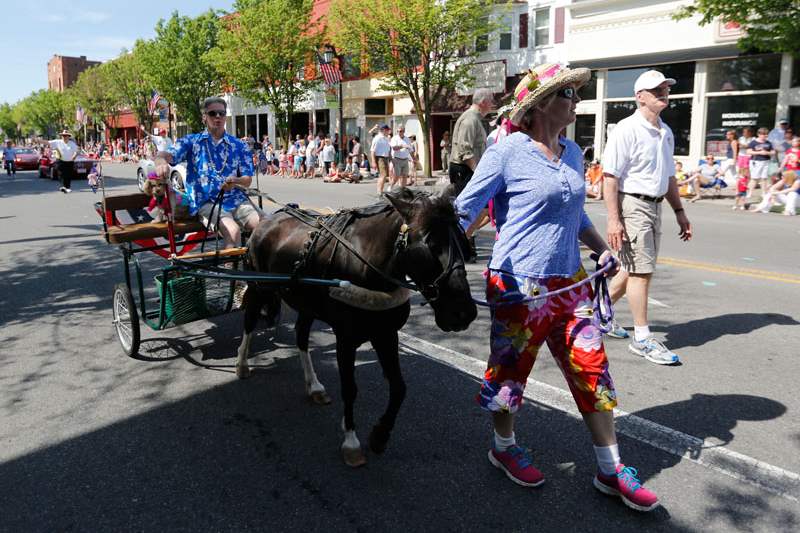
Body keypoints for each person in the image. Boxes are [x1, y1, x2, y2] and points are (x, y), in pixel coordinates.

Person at [456, 62, 660, 513]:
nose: (576, 101)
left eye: (574, 93)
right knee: (509, 376)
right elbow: (465, 210)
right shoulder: (507, 151)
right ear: (540, 105)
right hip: (517, 285)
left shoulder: (571, 153)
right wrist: (437, 256)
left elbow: (577, 216)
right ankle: (503, 446)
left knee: (593, 371)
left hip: (570, 284)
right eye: (568, 94)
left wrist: (600, 248)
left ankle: (610, 469)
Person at [602, 70, 691, 365]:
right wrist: (614, 219)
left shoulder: (665, 132)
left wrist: (680, 212)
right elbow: (610, 177)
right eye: (656, 90)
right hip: (633, 204)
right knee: (642, 271)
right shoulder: (626, 130)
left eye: (666, 88)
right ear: (640, 97)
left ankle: (596, 313)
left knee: (633, 267)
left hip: (655, 206)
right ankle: (642, 338)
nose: (664, 93)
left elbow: (669, 177)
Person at [155, 96, 258, 249]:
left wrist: (235, 181)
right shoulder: (192, 141)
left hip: (236, 200)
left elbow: (247, 179)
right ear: (204, 117)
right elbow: (165, 155)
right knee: (233, 231)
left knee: (263, 226)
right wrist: (160, 162)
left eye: (221, 113)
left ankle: (253, 268)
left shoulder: (238, 145)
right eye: (212, 113)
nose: (218, 117)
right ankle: (230, 271)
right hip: (206, 202)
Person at [448, 87, 495, 193]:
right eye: (491, 101)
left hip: (468, 170)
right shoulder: (470, 119)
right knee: (466, 208)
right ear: (483, 102)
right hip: (464, 170)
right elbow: (465, 151)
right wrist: (478, 173)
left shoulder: (475, 118)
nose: (492, 105)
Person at [747, 127, 775, 200]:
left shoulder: (768, 143)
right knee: (754, 178)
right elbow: (749, 151)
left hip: (766, 161)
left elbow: (773, 152)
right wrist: (759, 152)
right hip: (756, 161)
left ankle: (764, 193)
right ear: (759, 134)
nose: (765, 136)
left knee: (764, 178)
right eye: (763, 134)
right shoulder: (753, 142)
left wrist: (767, 152)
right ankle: (750, 193)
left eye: (766, 135)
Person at [370, 124, 392, 194]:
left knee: (384, 176)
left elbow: (388, 150)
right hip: (380, 158)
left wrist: (390, 158)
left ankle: (381, 190)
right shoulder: (377, 138)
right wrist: (373, 162)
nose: (388, 131)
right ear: (383, 130)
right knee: (383, 175)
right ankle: (379, 191)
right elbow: (372, 151)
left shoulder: (386, 138)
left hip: (386, 158)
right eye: (387, 130)